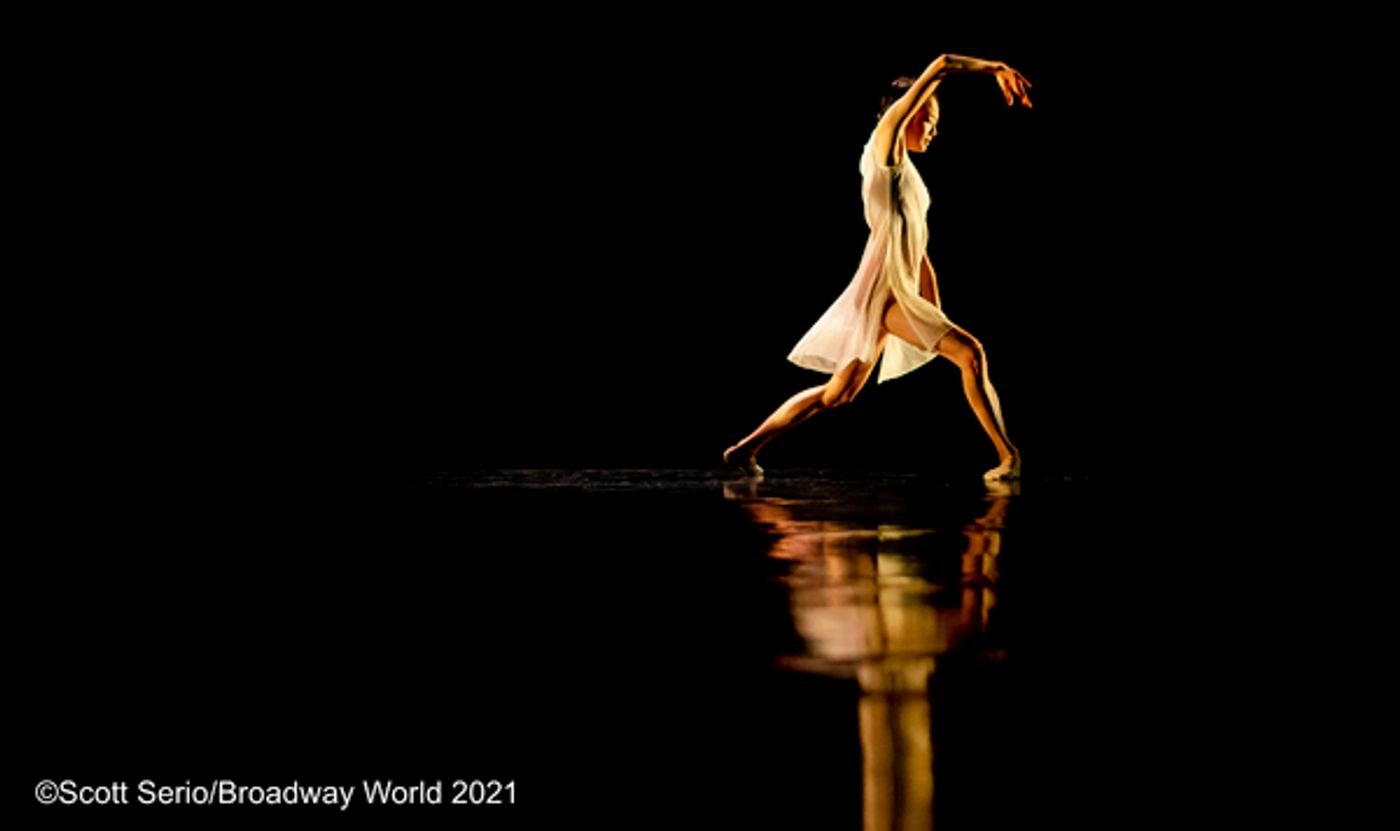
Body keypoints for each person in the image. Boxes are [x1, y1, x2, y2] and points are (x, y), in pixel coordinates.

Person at [722, 53, 1032, 481]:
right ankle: (1008, 457)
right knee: (971, 354)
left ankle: (743, 450)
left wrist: (933, 303)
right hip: (886, 290)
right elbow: (941, 63)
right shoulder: (883, 144)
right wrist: (994, 68)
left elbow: (918, 244)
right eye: (930, 117)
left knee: (837, 396)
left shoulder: (908, 174)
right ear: (909, 111)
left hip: (893, 289)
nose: (935, 128)